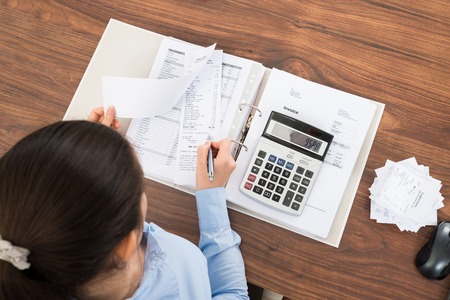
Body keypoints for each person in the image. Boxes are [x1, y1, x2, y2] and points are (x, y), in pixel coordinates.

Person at [0, 106, 249, 299]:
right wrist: (212, 197)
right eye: (139, 183)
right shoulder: (180, 274)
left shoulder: (27, 270)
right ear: (126, 245)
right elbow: (233, 295)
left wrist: (78, 164)